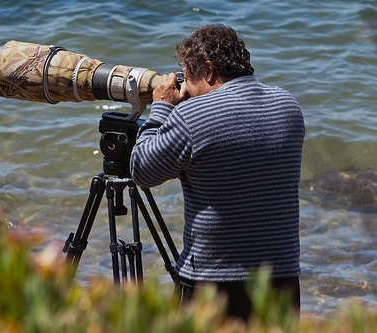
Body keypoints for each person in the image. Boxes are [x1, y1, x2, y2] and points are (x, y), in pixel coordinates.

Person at [130, 24, 305, 321]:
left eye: (187, 76)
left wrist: (161, 108)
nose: (186, 87)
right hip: (283, 282)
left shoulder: (192, 116)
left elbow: (143, 170)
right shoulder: (288, 106)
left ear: (208, 70)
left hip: (214, 285)